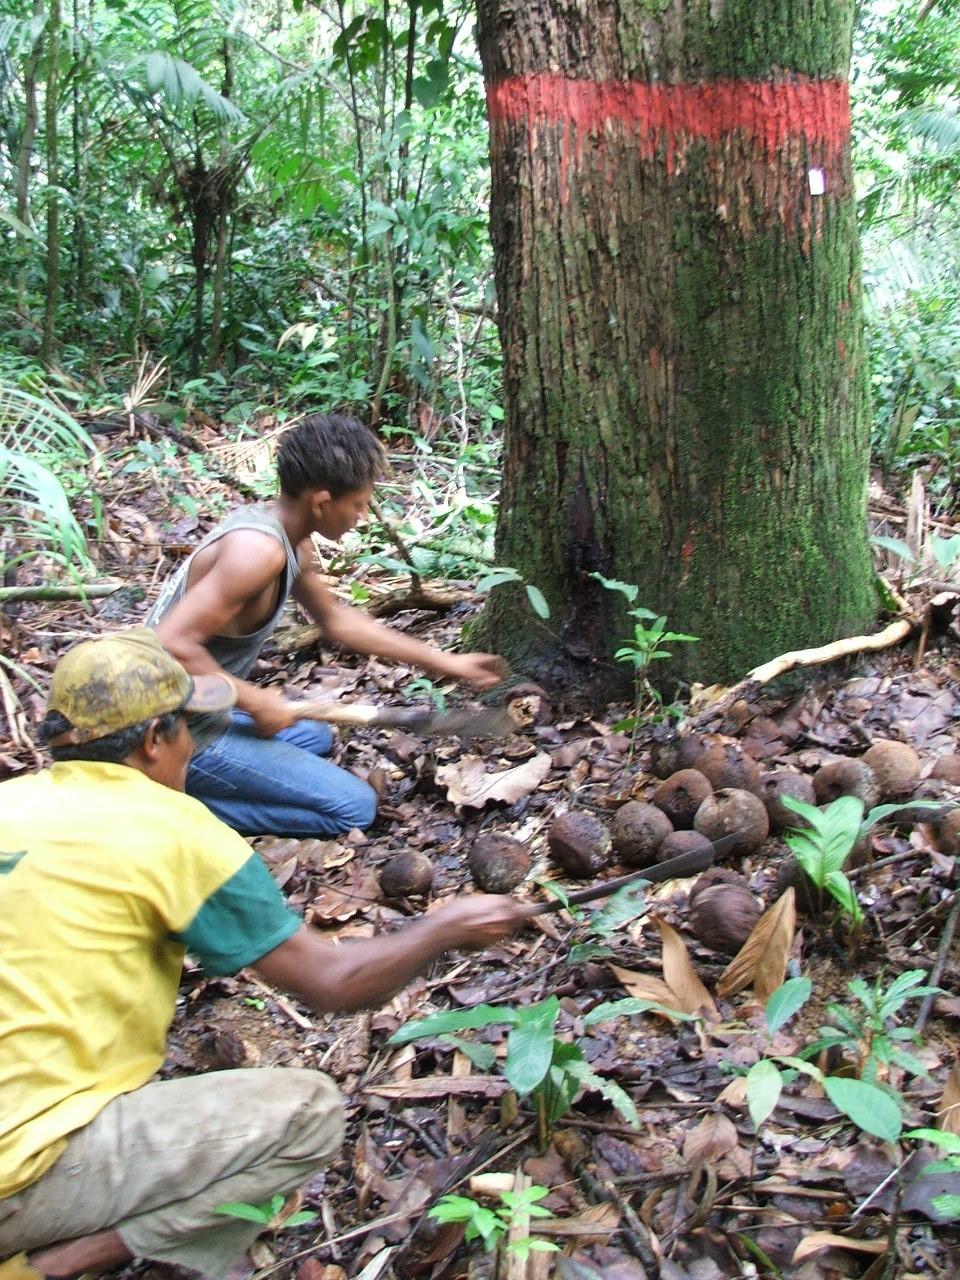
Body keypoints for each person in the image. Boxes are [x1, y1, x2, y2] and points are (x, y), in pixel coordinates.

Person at [0, 630, 529, 1279]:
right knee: (307, 1116)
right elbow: (330, 983)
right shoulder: (177, 828)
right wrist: (442, 929)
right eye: (190, 729)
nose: (195, 747)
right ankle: (49, 1267)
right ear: (153, 739)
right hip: (22, 1174)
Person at [148, 412, 505, 838]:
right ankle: (163, 806)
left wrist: (446, 662)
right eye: (357, 504)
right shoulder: (256, 553)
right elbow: (166, 645)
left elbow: (337, 620)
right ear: (321, 501)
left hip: (199, 710)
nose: (361, 516)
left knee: (315, 736)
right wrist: (253, 699)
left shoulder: (288, 537)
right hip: (160, 734)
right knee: (352, 809)